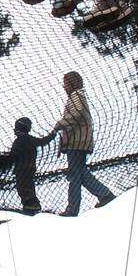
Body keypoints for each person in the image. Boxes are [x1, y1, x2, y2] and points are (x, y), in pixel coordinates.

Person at [53, 71, 113, 217]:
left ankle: (73, 209)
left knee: (75, 175)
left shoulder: (77, 96)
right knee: (80, 173)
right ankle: (105, 195)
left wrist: (59, 124)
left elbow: (77, 113)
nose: (64, 86)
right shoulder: (76, 96)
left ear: (72, 83)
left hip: (77, 142)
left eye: (66, 83)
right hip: (78, 142)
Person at [10, 117, 56, 214]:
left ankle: (31, 205)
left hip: (21, 169)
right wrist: (52, 135)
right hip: (29, 168)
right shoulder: (29, 139)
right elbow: (43, 141)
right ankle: (31, 205)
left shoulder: (19, 141)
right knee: (28, 187)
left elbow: (12, 156)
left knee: (23, 188)